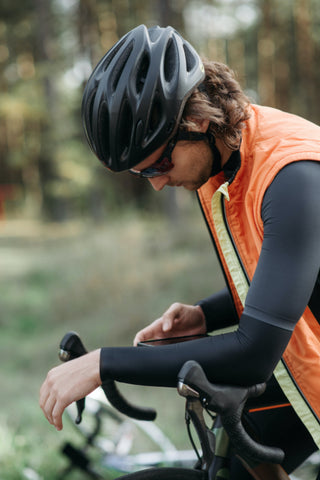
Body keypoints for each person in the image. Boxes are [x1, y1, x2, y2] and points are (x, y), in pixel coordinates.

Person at [40, 25, 320, 478]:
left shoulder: (292, 176)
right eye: (139, 173)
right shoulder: (223, 160)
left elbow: (254, 352)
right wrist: (206, 315)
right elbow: (291, 279)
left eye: (158, 163)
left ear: (199, 120)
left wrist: (104, 363)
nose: (156, 183)